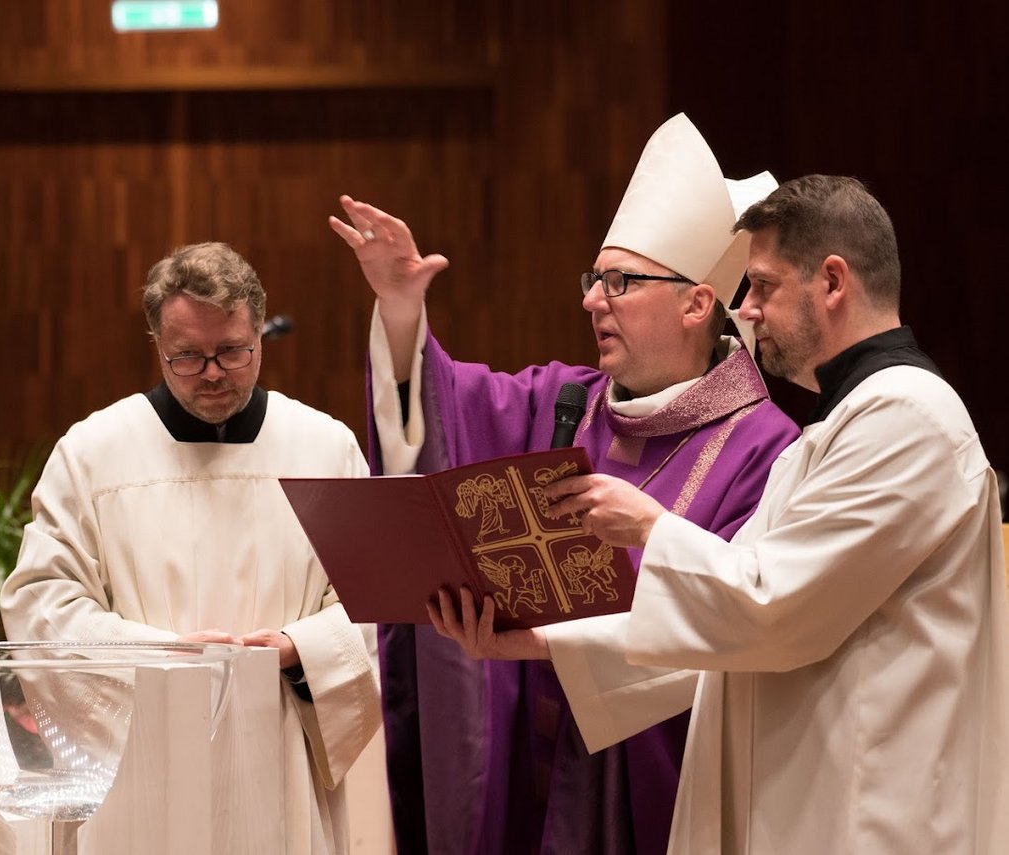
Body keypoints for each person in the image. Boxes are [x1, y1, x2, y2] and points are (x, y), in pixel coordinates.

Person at [432, 175, 1009, 853]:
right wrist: (543, 641)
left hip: (871, 817)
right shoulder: (840, 429)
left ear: (831, 282)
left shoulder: (906, 417)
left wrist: (651, 526)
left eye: (762, 286)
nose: (749, 311)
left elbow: (768, 606)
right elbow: (723, 637)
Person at [329, 114, 801, 854]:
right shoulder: (564, 404)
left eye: (619, 281)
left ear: (696, 302)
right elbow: (444, 409)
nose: (591, 299)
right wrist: (401, 308)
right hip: (529, 769)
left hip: (657, 788)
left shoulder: (765, 451)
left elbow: (735, 627)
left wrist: (550, 643)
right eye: (594, 278)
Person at [0, 242, 383, 855]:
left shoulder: (324, 448)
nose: (212, 372)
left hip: (278, 752)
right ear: (157, 343)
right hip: (144, 764)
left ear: (260, 330)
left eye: (232, 351)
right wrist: (166, 659)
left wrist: (299, 649)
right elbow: (41, 604)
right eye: (188, 356)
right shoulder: (95, 452)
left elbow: (377, 598)